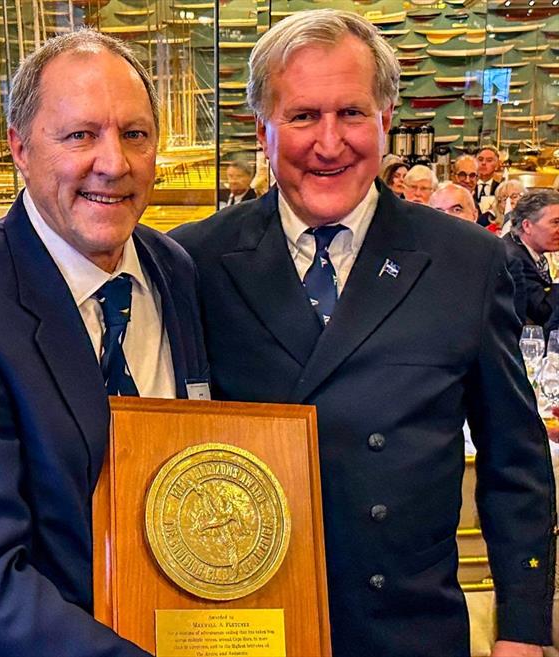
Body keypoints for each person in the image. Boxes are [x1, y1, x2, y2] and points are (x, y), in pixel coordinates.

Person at [171, 9, 555, 657]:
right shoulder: (192, 262)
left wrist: (521, 624)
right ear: (261, 128)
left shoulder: (467, 261)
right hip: (243, 627)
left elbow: (513, 460)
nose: (329, 142)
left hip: (407, 628)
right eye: (302, 116)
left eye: (351, 113)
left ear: (386, 121)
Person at [0, 30, 208, 657]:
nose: (114, 163)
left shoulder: (174, 271)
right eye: (80, 135)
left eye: (134, 134)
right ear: (19, 149)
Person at [429, 181, 527, 323]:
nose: (448, 217)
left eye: (457, 209)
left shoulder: (505, 262)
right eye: (438, 211)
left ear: (474, 215)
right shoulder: (415, 261)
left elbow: (512, 324)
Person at [506, 190, 559, 330]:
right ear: (527, 226)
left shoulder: (528, 248)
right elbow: (544, 312)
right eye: (556, 222)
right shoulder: (515, 259)